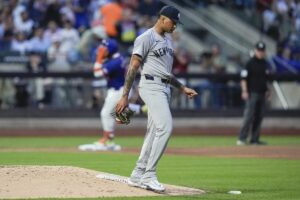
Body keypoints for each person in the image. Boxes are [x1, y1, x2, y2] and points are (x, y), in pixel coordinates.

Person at [115, 6, 198, 192]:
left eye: (177, 23)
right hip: (151, 86)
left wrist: (182, 87)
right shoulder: (146, 37)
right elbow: (133, 67)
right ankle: (149, 174)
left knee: (153, 132)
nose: (175, 26)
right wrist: (124, 97)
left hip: (164, 87)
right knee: (165, 127)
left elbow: (166, 73)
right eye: (173, 21)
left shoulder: (168, 42)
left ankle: (138, 174)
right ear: (162, 18)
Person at [78, 38, 146, 151]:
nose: (102, 50)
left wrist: (99, 58)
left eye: (105, 48)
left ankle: (107, 139)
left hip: (118, 91)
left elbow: (97, 73)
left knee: (106, 114)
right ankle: (142, 109)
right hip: (122, 90)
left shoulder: (115, 61)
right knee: (117, 113)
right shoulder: (118, 58)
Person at [237, 41, 270, 146]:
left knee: (259, 116)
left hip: (262, 93)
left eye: (262, 51)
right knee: (249, 116)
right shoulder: (249, 63)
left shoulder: (265, 63)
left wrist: (268, 90)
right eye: (259, 50)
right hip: (252, 93)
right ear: (255, 50)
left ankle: (254, 139)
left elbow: (266, 79)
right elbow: (243, 78)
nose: (260, 52)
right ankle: (241, 138)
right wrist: (244, 91)